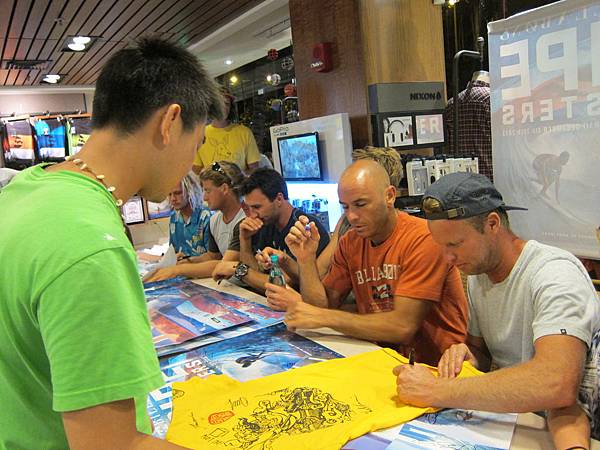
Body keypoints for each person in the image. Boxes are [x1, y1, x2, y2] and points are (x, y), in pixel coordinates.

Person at [0, 38, 222, 449]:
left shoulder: (26, 189)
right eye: (197, 143)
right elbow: (111, 445)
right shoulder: (90, 246)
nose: (193, 163)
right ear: (170, 123)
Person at [394, 172, 600, 447]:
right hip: (514, 421)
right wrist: (466, 354)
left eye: (455, 244)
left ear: (492, 224)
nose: (447, 258)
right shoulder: (480, 275)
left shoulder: (555, 275)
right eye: (441, 246)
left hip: (564, 429)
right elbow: (482, 352)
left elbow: (556, 383)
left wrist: (437, 391)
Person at [268, 160, 468, 366]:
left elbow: (403, 327)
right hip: (382, 359)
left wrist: (325, 317)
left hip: (438, 367)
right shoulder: (350, 242)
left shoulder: (423, 238)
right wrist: (306, 259)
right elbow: (321, 306)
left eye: (360, 204)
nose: (351, 216)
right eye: (345, 207)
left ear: (390, 196)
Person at [256, 145, 403, 288]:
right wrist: (287, 260)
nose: (352, 215)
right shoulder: (346, 224)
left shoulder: (411, 236)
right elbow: (318, 275)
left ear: (388, 193)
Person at [212, 168, 330, 292]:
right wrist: (245, 239)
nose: (252, 215)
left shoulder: (303, 228)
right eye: (249, 208)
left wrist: (238, 269)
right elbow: (255, 275)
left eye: (257, 207)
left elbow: (285, 285)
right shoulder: (266, 223)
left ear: (279, 199)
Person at [146, 161, 247, 282]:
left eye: (208, 191)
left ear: (224, 189)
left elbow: (224, 265)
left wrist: (178, 270)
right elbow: (212, 256)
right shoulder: (215, 220)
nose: (204, 197)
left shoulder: (244, 220)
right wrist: (188, 261)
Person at [192, 87, 260, 173]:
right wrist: (216, 175)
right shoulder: (200, 134)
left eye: (227, 104)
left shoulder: (244, 132)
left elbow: (254, 168)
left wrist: (236, 178)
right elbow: (196, 169)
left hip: (239, 185)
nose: (224, 108)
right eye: (220, 104)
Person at [168, 171, 211, 258]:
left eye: (178, 193)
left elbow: (213, 257)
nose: (172, 199)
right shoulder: (174, 217)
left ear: (191, 191)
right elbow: (172, 252)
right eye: (169, 194)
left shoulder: (206, 218)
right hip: (179, 268)